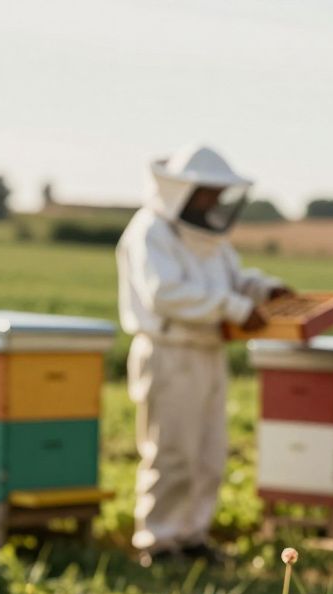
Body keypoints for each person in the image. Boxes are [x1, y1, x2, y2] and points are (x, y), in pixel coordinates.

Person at [117, 144, 290, 565]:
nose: (214, 201)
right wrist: (235, 307)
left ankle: (192, 536)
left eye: (218, 193)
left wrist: (262, 289)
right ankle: (157, 543)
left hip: (208, 351)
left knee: (208, 454)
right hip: (169, 352)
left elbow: (232, 278)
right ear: (183, 191)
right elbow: (165, 293)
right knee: (171, 452)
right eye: (207, 192)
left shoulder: (208, 236)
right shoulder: (150, 232)